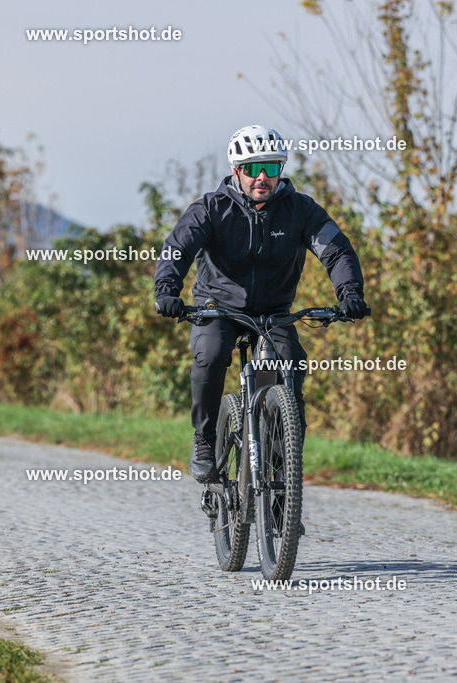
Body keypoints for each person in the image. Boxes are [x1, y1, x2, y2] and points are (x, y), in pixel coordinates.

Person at [154, 125, 368, 482]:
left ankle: (283, 475)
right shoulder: (211, 208)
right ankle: (205, 439)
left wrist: (350, 293)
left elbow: (337, 252)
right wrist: (166, 291)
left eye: (271, 167)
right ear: (237, 170)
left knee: (289, 366)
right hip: (217, 308)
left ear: (280, 169)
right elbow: (178, 248)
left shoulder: (301, 210)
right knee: (211, 355)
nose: (262, 177)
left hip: (273, 313)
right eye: (253, 168)